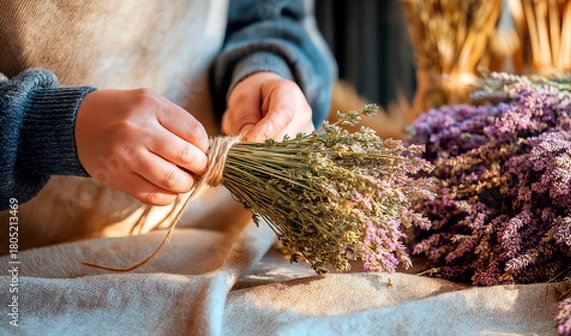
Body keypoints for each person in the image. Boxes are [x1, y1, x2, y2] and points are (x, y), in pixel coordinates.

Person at [0, 0, 335, 212]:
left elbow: (270, 13)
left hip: (197, 223)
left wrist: (262, 68)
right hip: (20, 256)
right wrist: (44, 126)